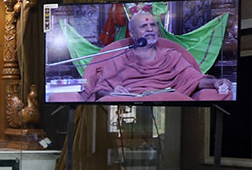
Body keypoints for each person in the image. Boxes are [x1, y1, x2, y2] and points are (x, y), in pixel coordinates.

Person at [87, 8, 230, 102]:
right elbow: (100, 91)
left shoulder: (171, 56)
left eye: (153, 25)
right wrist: (111, 92)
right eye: (144, 26)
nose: (150, 29)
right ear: (133, 34)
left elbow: (194, 79)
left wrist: (215, 83)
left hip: (167, 104)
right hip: (128, 104)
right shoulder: (119, 59)